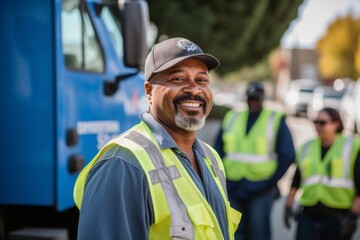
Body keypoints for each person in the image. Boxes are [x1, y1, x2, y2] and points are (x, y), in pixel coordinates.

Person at [73, 37, 241, 240]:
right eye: (178, 79)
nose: (194, 89)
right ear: (149, 91)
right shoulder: (123, 164)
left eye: (202, 80)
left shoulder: (210, 157)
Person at [214, 81, 295, 240]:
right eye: (250, 99)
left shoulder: (274, 119)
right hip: (234, 186)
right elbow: (217, 151)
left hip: (261, 188)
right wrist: (223, 181)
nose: (253, 102)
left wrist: (271, 182)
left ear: (263, 99)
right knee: (234, 231)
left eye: (256, 99)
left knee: (258, 233)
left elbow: (288, 155)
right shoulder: (232, 117)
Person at [284, 107, 360, 240]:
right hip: (308, 215)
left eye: (322, 123)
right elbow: (297, 179)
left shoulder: (351, 147)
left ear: (336, 124)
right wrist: (288, 205)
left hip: (337, 219)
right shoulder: (306, 147)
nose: (318, 126)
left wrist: (353, 216)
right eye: (315, 122)